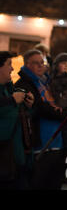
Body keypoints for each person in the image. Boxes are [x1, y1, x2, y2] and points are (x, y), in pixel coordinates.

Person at [14, 49, 67, 189]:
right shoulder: (24, 84)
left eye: (42, 63)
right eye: (36, 63)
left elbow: (63, 101)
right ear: (27, 65)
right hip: (40, 145)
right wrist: (66, 115)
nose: (40, 66)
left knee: (55, 182)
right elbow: (40, 108)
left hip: (56, 142)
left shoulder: (47, 81)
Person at [0, 51, 34, 189]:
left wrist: (27, 107)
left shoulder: (9, 90)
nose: (12, 69)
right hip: (4, 161)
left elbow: (22, 123)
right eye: (9, 64)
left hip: (16, 160)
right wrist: (13, 102)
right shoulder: (9, 96)